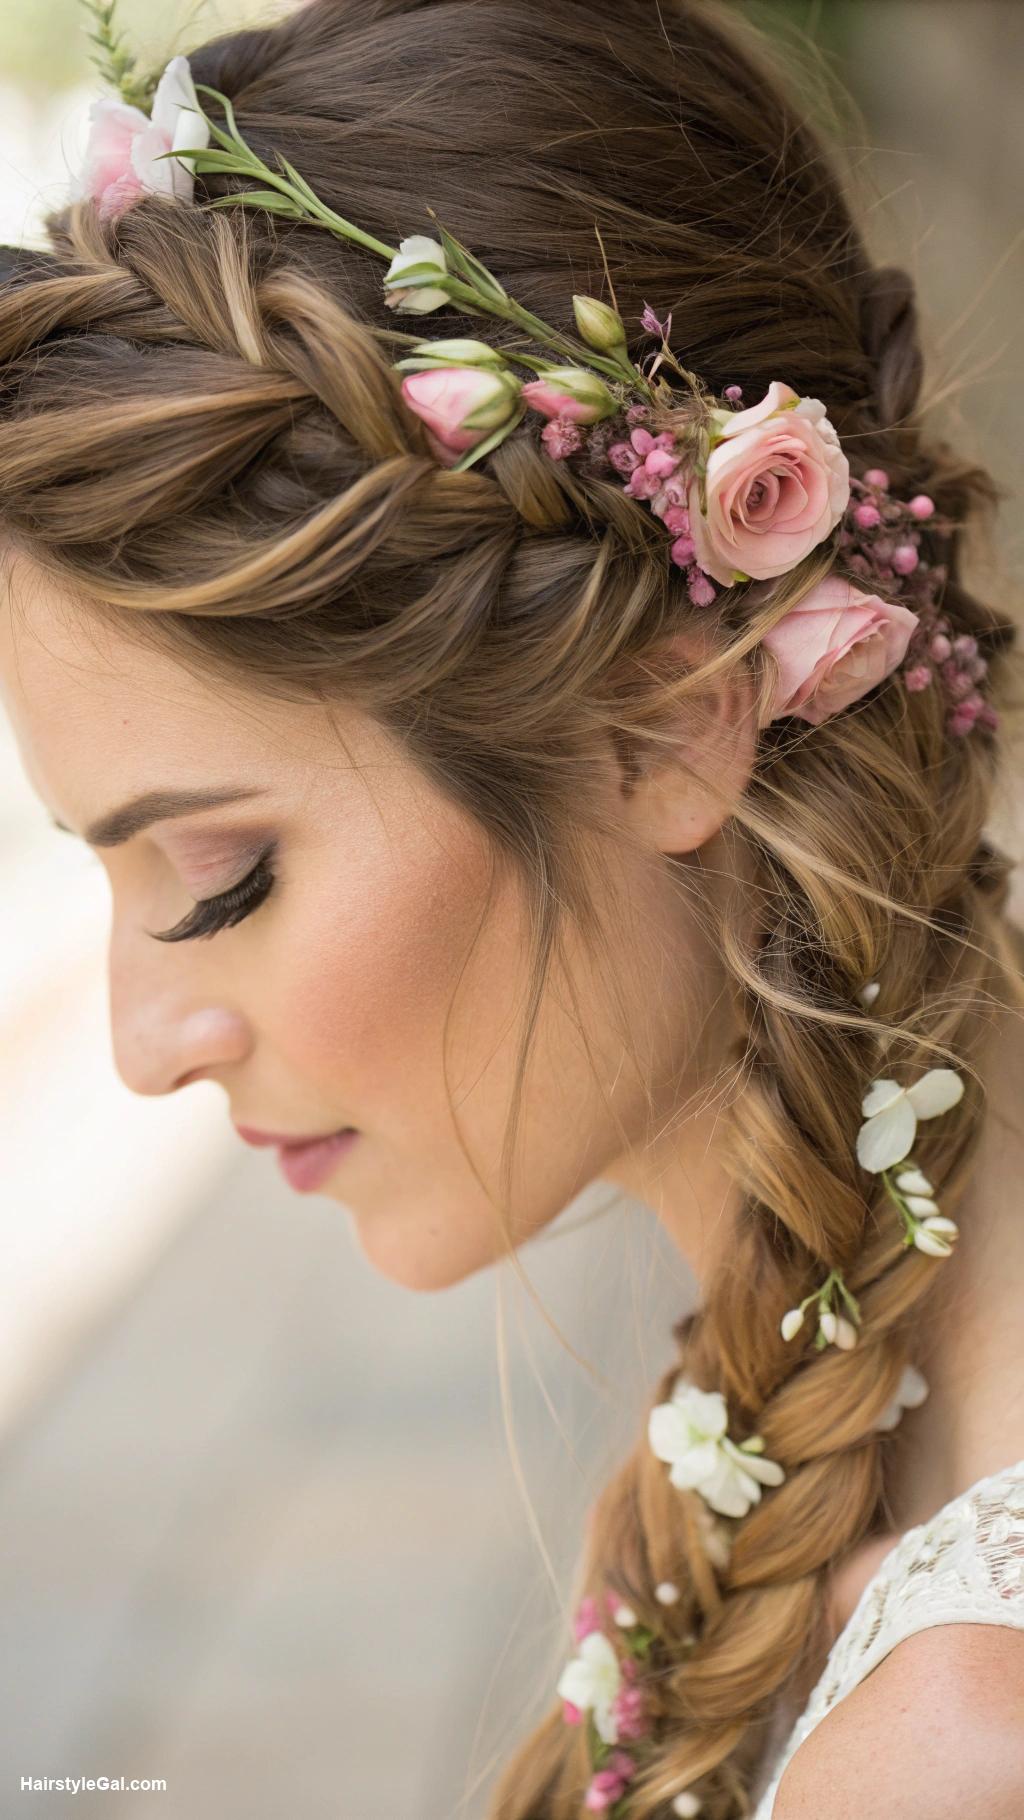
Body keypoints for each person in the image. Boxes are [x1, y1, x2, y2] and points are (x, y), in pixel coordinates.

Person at [0, 2, 1022, 1814]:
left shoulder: (950, 1750)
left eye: (223, 879)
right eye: (101, 860)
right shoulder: (839, 1409)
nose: (146, 1041)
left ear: (667, 720)